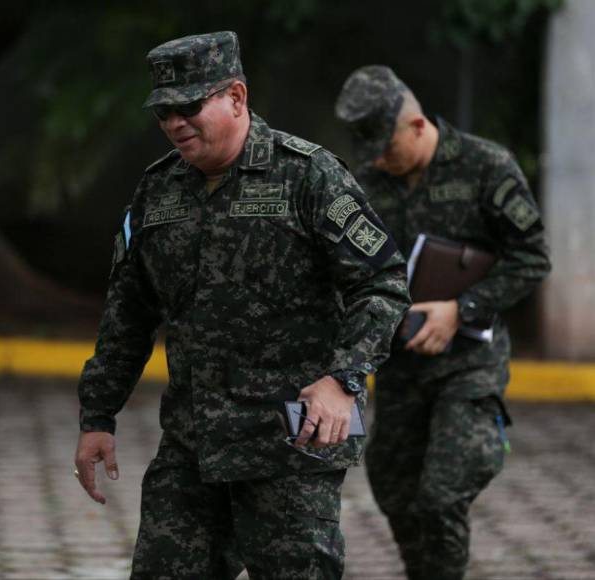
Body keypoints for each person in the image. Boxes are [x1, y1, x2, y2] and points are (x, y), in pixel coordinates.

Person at [74, 33, 410, 579]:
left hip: (291, 447)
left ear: (235, 96)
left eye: (189, 106)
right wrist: (97, 415)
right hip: (193, 445)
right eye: (164, 111)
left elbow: (383, 283)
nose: (175, 122)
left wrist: (342, 379)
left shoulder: (309, 176)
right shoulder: (158, 192)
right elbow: (129, 313)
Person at [335, 65, 552, 580]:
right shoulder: (367, 182)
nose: (378, 160)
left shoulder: (485, 166)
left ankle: (484, 436)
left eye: (387, 147)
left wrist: (462, 309)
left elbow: (532, 258)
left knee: (440, 495)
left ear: (416, 126)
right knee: (394, 490)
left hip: (468, 365)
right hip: (400, 367)